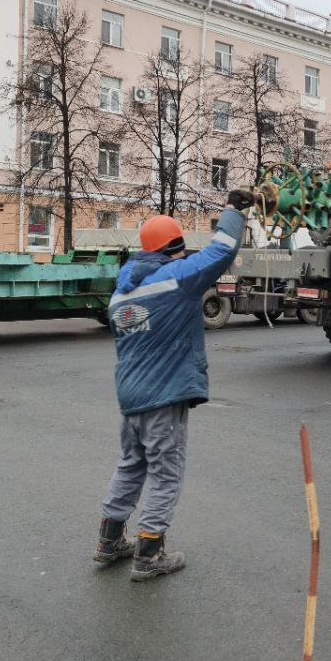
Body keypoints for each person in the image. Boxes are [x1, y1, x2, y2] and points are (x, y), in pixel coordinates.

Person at [94, 189, 255, 582]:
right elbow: (221, 251)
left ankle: (109, 541)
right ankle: (149, 555)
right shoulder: (176, 279)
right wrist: (233, 210)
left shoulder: (121, 293)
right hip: (163, 397)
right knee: (166, 474)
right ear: (174, 248)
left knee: (131, 465)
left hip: (131, 397)